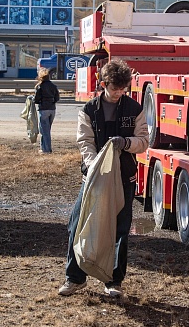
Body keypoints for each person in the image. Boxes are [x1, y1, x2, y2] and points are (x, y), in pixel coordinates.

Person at [59, 59, 148, 298]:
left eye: (123, 88)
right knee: (77, 224)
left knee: (120, 229)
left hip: (124, 177)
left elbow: (143, 142)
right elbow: (85, 142)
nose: (119, 93)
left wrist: (126, 142)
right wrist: (93, 167)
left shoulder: (135, 109)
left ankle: (113, 282)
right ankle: (75, 278)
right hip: (93, 177)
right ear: (104, 84)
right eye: (115, 88)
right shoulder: (89, 110)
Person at [34, 67, 60, 154]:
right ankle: (43, 147)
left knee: (44, 131)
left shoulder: (40, 87)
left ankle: (47, 150)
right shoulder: (53, 86)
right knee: (46, 130)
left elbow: (36, 99)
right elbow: (57, 98)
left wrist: (35, 100)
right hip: (52, 109)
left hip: (43, 109)